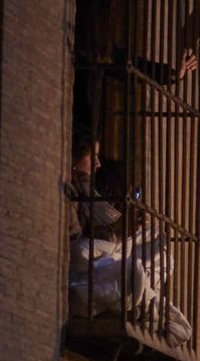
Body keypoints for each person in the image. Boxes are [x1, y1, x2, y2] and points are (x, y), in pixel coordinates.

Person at [66, 131, 192, 346]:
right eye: (92, 155)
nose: (97, 163)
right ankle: (141, 288)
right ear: (76, 155)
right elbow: (78, 247)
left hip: (107, 255)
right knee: (128, 269)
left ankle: (141, 286)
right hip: (88, 261)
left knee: (156, 245)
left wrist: (128, 233)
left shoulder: (88, 191)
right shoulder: (72, 192)